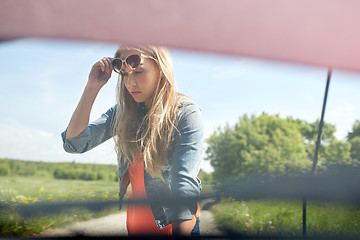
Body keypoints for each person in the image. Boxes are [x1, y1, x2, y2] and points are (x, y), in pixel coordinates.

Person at [61, 45, 203, 236]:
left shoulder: (185, 113)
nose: (130, 83)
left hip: (178, 227)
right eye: (125, 75)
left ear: (161, 70)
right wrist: (92, 87)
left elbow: (183, 184)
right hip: (137, 225)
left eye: (139, 71)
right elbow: (75, 143)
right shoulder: (123, 113)